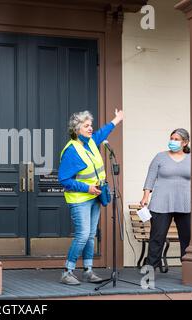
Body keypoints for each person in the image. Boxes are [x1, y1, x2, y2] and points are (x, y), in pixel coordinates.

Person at [58, 109, 123, 285]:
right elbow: (63, 179)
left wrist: (116, 119)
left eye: (90, 125)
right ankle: (67, 272)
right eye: (86, 126)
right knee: (83, 234)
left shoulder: (91, 142)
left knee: (91, 234)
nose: (90, 128)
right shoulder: (72, 150)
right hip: (80, 199)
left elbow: (102, 132)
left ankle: (88, 270)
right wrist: (87, 188)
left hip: (95, 197)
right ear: (76, 129)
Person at [140, 128, 191, 270]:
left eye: (176, 139)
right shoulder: (160, 157)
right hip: (161, 203)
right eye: (171, 138)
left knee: (187, 239)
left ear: (185, 142)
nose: (172, 142)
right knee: (157, 238)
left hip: (186, 204)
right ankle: (150, 270)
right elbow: (150, 177)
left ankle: (188, 270)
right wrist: (145, 196)